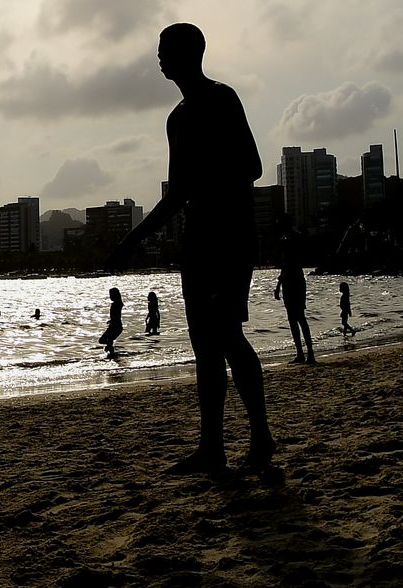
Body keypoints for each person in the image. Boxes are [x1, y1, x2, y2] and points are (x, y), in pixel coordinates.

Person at [107, 23, 274, 475]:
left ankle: (261, 441)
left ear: (191, 53)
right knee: (204, 345)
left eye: (166, 50)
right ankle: (212, 447)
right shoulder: (175, 119)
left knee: (228, 336)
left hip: (231, 238)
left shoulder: (222, 99)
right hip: (197, 243)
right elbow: (175, 194)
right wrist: (131, 240)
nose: (159, 57)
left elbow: (252, 167)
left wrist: (205, 180)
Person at [274, 219, 315, 363]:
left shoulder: (290, 242)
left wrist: (278, 286)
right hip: (293, 283)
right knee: (297, 319)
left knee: (298, 319)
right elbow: (284, 268)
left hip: (293, 284)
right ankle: (304, 353)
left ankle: (306, 353)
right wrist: (279, 286)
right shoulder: (291, 240)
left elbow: (286, 268)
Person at [99, 288, 124, 356]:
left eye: (111, 295)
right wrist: (111, 320)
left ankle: (111, 351)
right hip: (114, 326)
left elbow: (117, 316)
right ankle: (111, 350)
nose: (110, 297)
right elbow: (116, 315)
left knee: (103, 340)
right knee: (105, 341)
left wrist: (113, 321)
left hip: (115, 326)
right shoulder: (117, 304)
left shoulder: (117, 304)